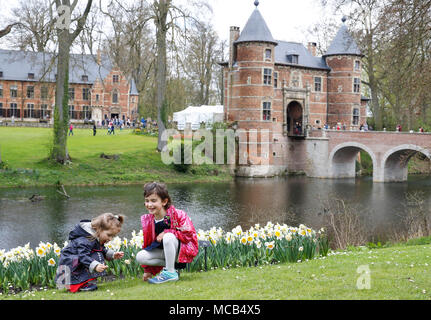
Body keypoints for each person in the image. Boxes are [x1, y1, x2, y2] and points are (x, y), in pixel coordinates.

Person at [136, 182, 199, 284]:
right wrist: (148, 270)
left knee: (168, 237)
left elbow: (188, 235)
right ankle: (171, 268)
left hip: (181, 251)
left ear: (164, 202)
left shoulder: (178, 214)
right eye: (147, 201)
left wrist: (167, 232)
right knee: (140, 256)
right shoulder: (149, 220)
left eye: (153, 201)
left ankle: (170, 273)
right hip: (165, 254)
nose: (149, 205)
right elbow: (148, 244)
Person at [55, 213, 125, 292]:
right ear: (99, 229)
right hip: (69, 264)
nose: (110, 239)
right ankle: (75, 285)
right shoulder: (85, 240)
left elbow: (100, 249)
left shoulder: (93, 236)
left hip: (73, 263)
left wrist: (112, 254)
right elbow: (83, 256)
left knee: (96, 254)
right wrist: (95, 266)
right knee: (94, 256)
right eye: (109, 235)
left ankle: (82, 283)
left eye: (113, 236)